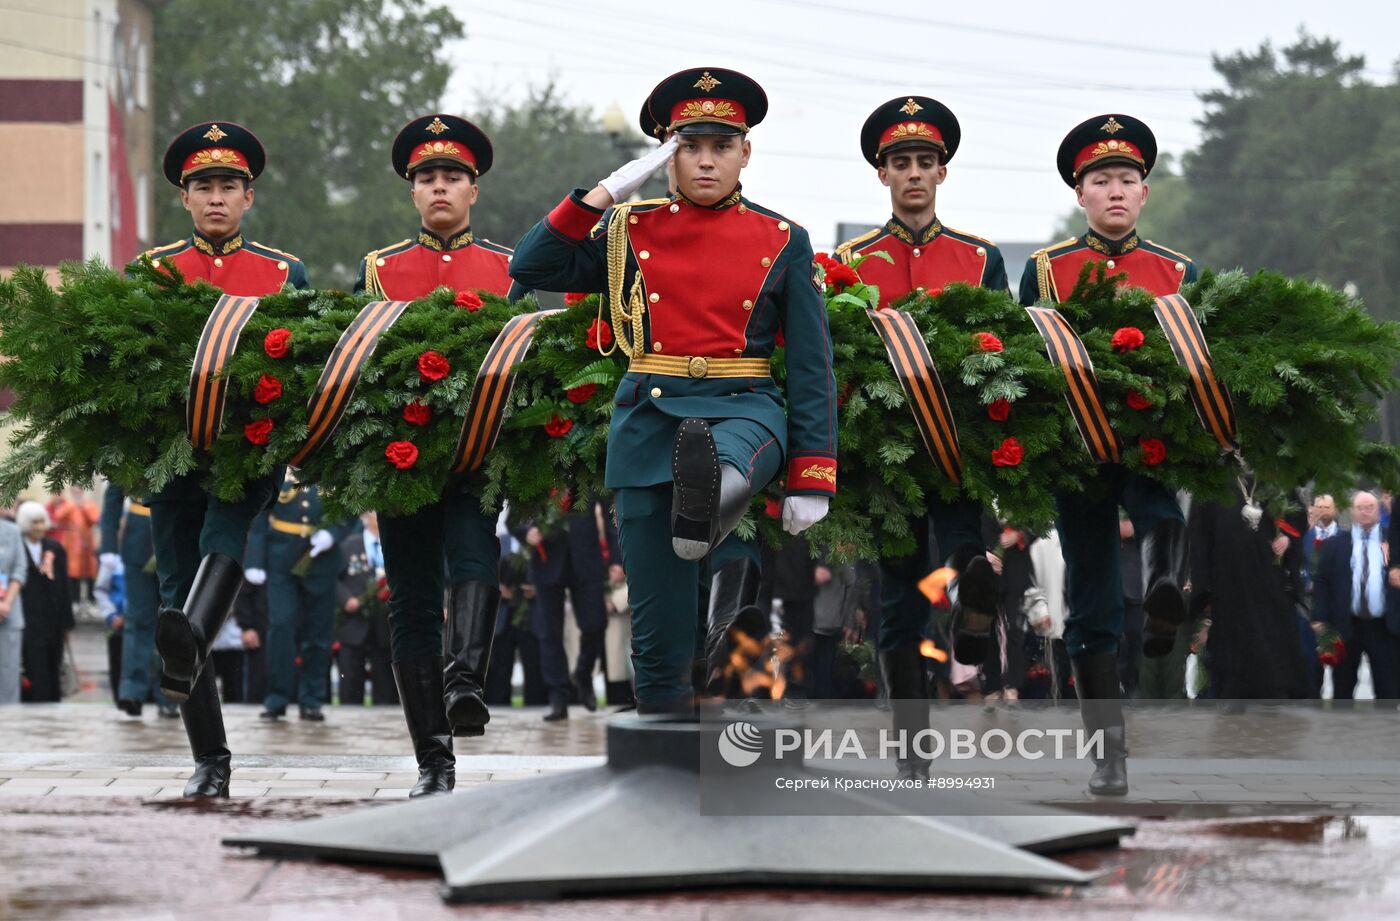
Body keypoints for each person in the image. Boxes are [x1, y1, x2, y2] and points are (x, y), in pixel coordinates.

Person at [510, 67, 838, 714]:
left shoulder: (782, 239)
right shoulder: (628, 229)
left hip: (745, 412)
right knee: (658, 640)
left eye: (722, 146)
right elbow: (531, 265)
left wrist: (812, 474)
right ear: (666, 155)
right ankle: (662, 751)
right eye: (690, 146)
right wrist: (601, 195)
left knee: (722, 484)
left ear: (746, 152)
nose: (707, 161)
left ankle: (714, 495)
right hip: (649, 420)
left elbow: (809, 364)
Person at [1018, 114, 1197, 796]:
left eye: (1128, 179)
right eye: (1102, 180)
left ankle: (1160, 598)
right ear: (1080, 191)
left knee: (1160, 506)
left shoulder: (1177, 271)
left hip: (1154, 441)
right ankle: (1108, 754)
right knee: (1090, 600)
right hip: (1078, 450)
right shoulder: (1047, 270)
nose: (1115, 190)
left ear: (1144, 193)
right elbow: (1025, 366)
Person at [834, 95, 1007, 778]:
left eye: (925, 162)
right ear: (883, 175)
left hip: (957, 450)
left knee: (970, 560)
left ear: (942, 173)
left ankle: (973, 619)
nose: (913, 173)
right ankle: (912, 748)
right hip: (887, 461)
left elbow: (1004, 357)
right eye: (900, 162)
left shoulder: (980, 258)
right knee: (898, 597)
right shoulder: (851, 259)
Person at [353, 113, 523, 795]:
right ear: (412, 192)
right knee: (413, 601)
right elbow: (358, 367)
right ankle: (434, 758)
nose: (440, 187)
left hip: (477, 455)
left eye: (452, 176)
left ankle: (465, 683)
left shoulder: (509, 269)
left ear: (473, 189)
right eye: (427, 177)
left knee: (478, 561)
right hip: (402, 459)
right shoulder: (380, 268)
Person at [142, 121, 309, 796]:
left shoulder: (280, 272)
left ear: (249, 198)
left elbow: (303, 362)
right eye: (203, 186)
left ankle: (189, 647)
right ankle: (210, 758)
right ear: (185, 198)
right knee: (174, 590)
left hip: (247, 448)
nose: (216, 198)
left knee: (223, 539)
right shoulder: (154, 272)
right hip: (170, 456)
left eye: (229, 187)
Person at [246, 476, 347, 722]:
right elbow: (260, 508)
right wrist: (255, 558)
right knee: (281, 625)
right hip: (281, 555)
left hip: (322, 557)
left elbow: (351, 503)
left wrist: (333, 533)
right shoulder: (282, 458)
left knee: (318, 631)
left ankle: (311, 700)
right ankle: (276, 698)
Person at [514, 498, 618, 721]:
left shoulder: (589, 467)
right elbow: (515, 510)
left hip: (587, 561)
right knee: (549, 632)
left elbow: (610, 516)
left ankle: (583, 671)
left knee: (596, 623)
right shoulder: (539, 467)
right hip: (547, 561)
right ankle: (558, 696)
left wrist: (616, 560)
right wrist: (527, 531)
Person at [1314, 490, 1400, 700]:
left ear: (1378, 510)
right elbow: (1322, 581)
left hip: (1384, 626)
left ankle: (1386, 729)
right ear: (1351, 511)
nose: (1365, 512)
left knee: (1389, 687)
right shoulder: (1335, 544)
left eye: (1370, 507)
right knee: (1342, 688)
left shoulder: (1393, 542)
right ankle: (1344, 730)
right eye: (1360, 507)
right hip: (1346, 625)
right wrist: (1320, 617)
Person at [99, 487, 177, 718]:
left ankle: (169, 695)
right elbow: (114, 495)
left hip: (174, 536)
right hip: (137, 542)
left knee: (173, 621)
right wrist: (108, 546)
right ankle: (132, 692)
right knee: (138, 619)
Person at [335, 512, 397, 707]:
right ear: (364, 515)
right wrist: (346, 599)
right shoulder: (349, 545)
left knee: (385, 680)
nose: (377, 515)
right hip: (354, 622)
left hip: (386, 623)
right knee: (351, 678)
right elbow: (333, 578)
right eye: (373, 510)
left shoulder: (396, 543)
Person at [16, 502, 72, 702]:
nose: (39, 527)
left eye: (41, 522)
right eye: (34, 523)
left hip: (53, 618)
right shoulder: (18, 547)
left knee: (53, 661)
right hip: (28, 617)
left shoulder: (54, 548)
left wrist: (67, 620)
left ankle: (53, 701)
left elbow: (65, 585)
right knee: (32, 662)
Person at [0, 514, 27, 704]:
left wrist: (6, 603)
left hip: (8, 610)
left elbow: (19, 569)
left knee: (9, 669)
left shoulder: (12, 531)